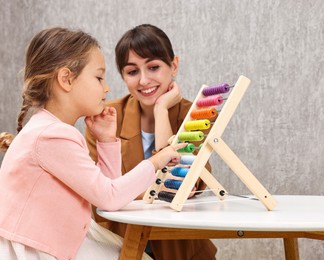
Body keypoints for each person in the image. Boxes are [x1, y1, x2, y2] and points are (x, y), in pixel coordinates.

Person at [0, 27, 185, 260]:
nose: (106, 88)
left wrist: (106, 141)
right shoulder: (52, 136)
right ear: (66, 79)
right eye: (99, 77)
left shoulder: (50, 130)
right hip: (36, 250)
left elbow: (106, 196)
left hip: (52, 243)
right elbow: (109, 197)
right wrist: (157, 160)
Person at [86, 24, 217, 260]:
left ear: (173, 65)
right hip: (123, 245)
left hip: (181, 248)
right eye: (132, 71)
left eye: (154, 67)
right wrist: (129, 192)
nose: (144, 80)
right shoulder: (105, 117)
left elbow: (179, 185)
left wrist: (161, 110)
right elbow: (100, 195)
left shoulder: (197, 115)